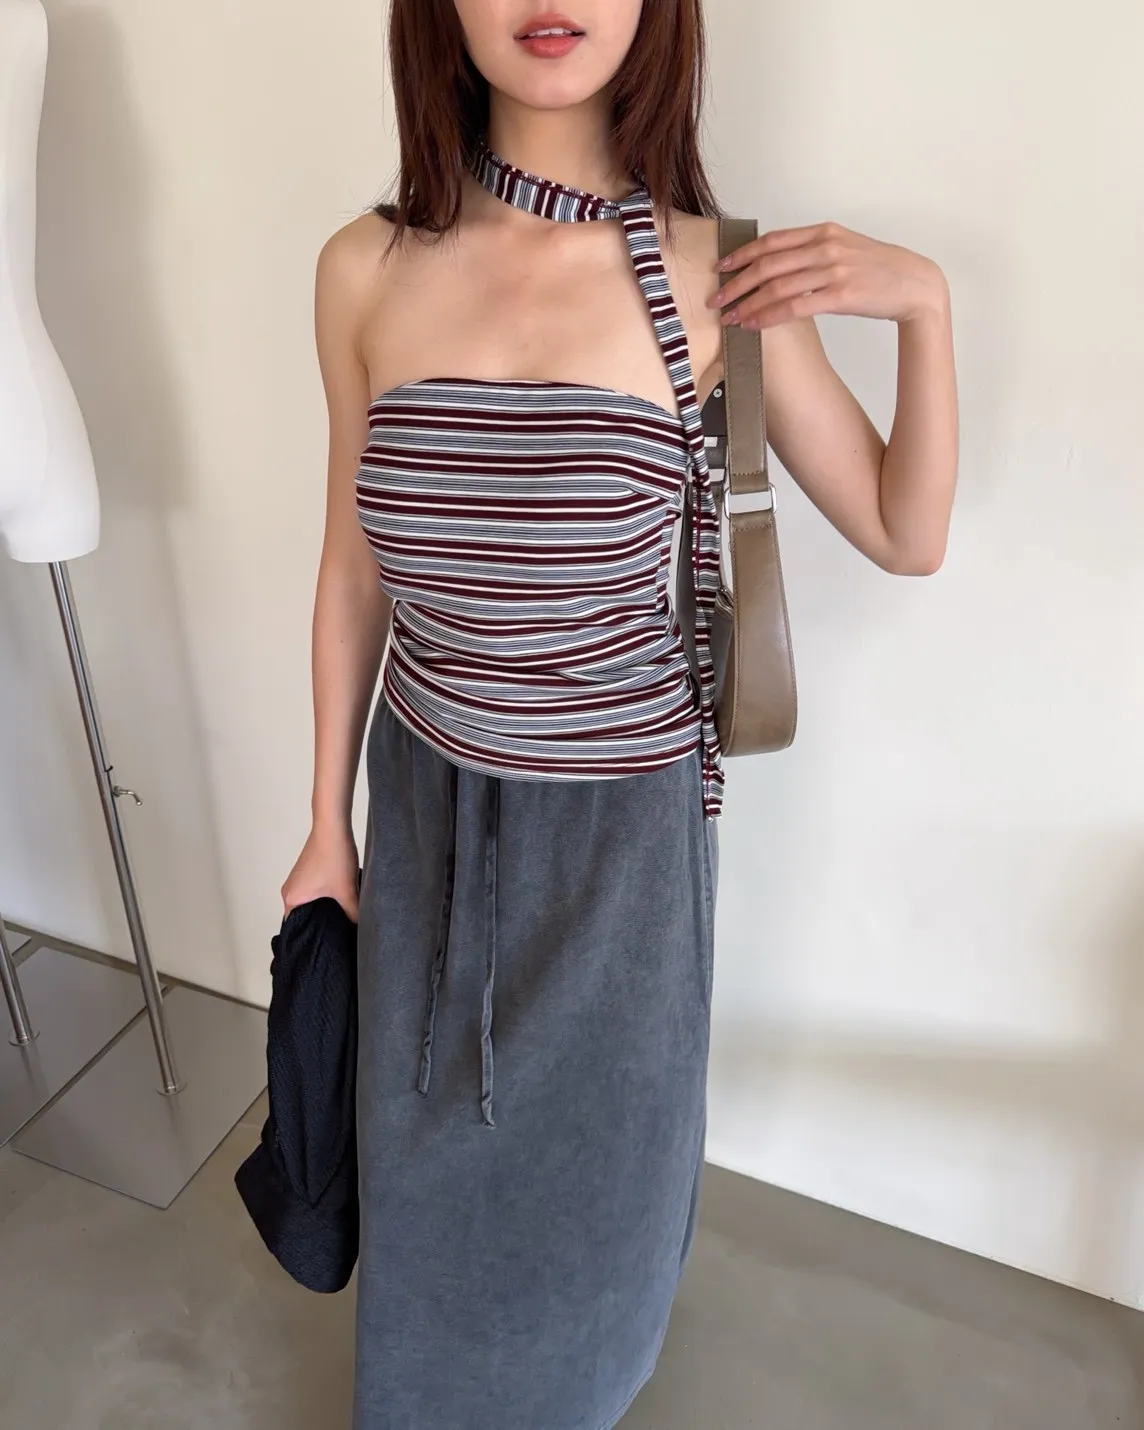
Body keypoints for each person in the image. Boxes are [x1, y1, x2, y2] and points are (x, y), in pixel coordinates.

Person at [281, 1, 958, 1425]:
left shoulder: (716, 275)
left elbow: (906, 532)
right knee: (418, 1171)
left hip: (620, 855)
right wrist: (324, 827)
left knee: (595, 1198)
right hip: (425, 805)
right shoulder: (363, 270)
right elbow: (353, 568)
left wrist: (924, 306)